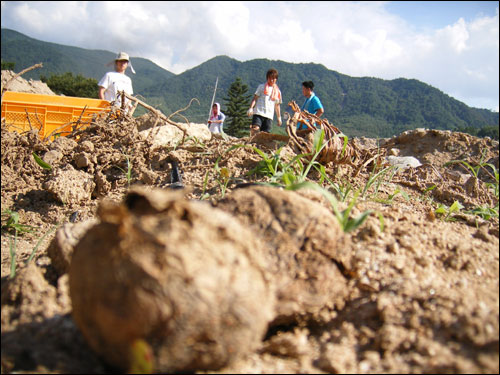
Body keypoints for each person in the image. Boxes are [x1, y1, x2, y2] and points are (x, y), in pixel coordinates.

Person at [247, 68, 282, 136]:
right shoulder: (261, 87)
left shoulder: (278, 92)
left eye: (273, 78)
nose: (271, 80)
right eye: (270, 78)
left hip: (269, 115)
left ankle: (260, 146)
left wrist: (279, 117)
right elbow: (255, 98)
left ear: (276, 79)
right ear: (267, 78)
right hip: (259, 112)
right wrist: (251, 108)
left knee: (265, 135)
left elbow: (277, 105)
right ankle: (251, 143)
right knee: (255, 128)